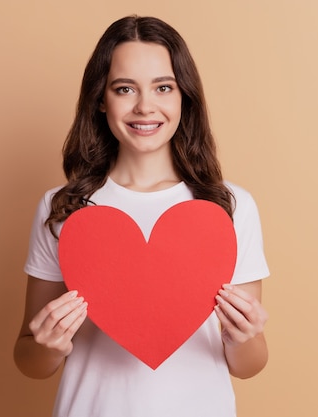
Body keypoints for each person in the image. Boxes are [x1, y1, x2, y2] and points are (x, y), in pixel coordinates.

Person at [14, 15, 270, 417]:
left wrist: (244, 337)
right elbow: (28, 360)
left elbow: (250, 364)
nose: (145, 106)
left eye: (163, 87)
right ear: (101, 99)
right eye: (124, 88)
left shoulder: (229, 208)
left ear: (184, 97)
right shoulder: (63, 208)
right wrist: (48, 345)